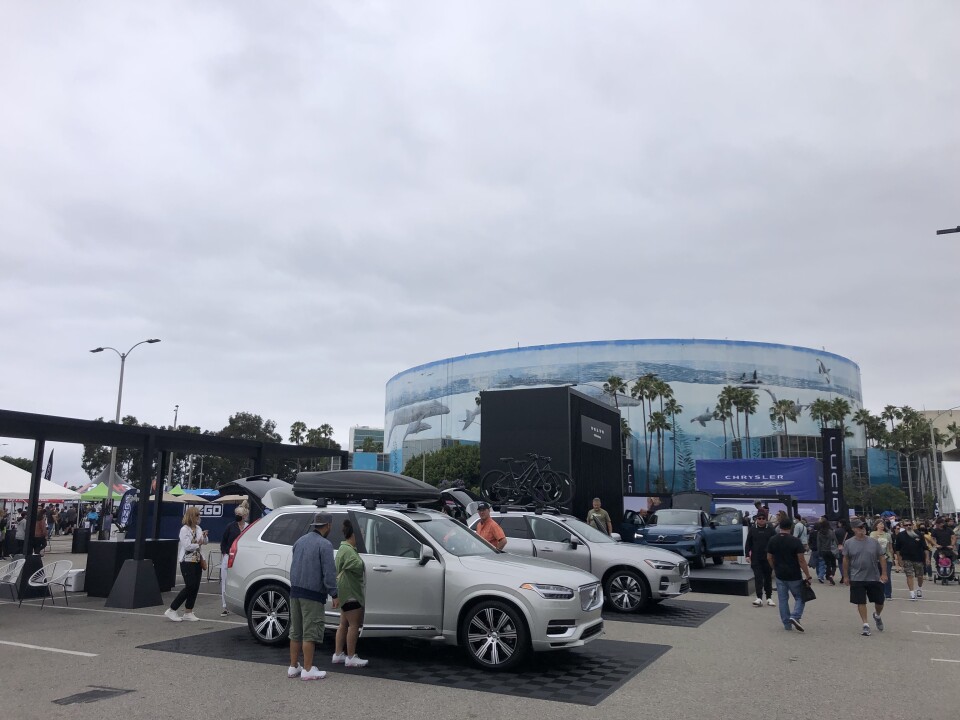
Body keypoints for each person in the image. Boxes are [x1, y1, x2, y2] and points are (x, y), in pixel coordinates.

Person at [287, 511, 338, 681]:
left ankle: (293, 666)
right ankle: (308, 669)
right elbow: (329, 573)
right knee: (310, 631)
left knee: (296, 631)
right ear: (328, 525)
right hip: (313, 594)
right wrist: (334, 593)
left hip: (295, 591)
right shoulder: (325, 545)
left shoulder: (299, 541)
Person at [766, 517, 813, 631]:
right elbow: (801, 560)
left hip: (780, 573)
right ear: (791, 527)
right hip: (794, 574)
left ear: (780, 527)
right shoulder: (795, 541)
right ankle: (795, 615)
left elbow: (769, 557)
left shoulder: (773, 539)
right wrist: (807, 575)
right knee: (800, 597)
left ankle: (787, 624)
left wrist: (774, 568)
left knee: (782, 599)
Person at [843, 520, 887, 636]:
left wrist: (884, 573)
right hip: (857, 577)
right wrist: (846, 576)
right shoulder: (848, 543)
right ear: (853, 529)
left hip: (874, 576)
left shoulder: (873, 542)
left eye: (863, 526)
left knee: (880, 601)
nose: (862, 528)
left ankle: (877, 615)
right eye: (859, 527)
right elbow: (846, 559)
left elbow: (881, 557)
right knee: (861, 601)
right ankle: (865, 624)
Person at [332, 518, 367, 668]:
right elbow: (359, 566)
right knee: (354, 625)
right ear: (354, 534)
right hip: (351, 591)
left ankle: (338, 654)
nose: (363, 536)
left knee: (343, 624)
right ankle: (351, 657)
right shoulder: (349, 551)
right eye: (362, 533)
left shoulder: (342, 549)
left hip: (343, 591)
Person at [164, 506, 208, 622]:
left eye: (199, 515)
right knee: (190, 586)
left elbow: (204, 542)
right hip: (187, 561)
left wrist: (204, 537)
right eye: (197, 515)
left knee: (195, 587)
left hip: (198, 560)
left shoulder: (198, 528)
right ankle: (172, 609)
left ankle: (189, 611)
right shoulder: (184, 530)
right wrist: (198, 544)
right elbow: (187, 545)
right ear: (191, 516)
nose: (199, 517)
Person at [218, 505, 248, 616]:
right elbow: (224, 541)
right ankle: (225, 606)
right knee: (225, 581)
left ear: (245, 516)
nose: (238, 517)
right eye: (237, 515)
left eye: (240, 515)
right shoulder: (230, 526)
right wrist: (225, 553)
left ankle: (242, 604)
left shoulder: (248, 527)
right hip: (229, 556)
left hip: (243, 558)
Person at [745, 512, 776, 607]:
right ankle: (759, 597)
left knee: (768, 578)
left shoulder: (771, 530)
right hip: (756, 558)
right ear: (756, 519)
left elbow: (775, 543)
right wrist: (747, 555)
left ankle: (769, 597)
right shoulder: (753, 529)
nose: (761, 520)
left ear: (766, 519)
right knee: (758, 577)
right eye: (759, 518)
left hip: (768, 558)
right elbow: (748, 543)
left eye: (763, 518)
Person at [893, 519, 928, 600]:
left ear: (912, 525)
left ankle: (919, 588)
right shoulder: (900, 535)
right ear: (903, 526)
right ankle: (912, 593)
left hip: (919, 558)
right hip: (906, 558)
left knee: (920, 575)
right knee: (909, 575)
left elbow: (925, 547)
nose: (908, 526)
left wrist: (927, 558)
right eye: (906, 525)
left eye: (909, 525)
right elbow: (897, 549)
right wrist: (899, 560)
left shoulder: (918, 534)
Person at [870, 520, 894, 600]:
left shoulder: (887, 535)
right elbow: (871, 545)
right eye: (880, 524)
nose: (882, 525)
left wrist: (892, 557)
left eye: (883, 524)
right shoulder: (872, 534)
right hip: (876, 558)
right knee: (877, 576)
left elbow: (890, 547)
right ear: (876, 525)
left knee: (886, 575)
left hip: (886, 557)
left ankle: (888, 594)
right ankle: (879, 593)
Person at [816, 520, 838, 585]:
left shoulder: (819, 533)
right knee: (833, 565)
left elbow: (818, 543)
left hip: (823, 551)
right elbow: (835, 540)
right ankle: (831, 576)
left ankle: (828, 576)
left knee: (827, 564)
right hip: (831, 550)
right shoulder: (831, 532)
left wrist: (819, 551)